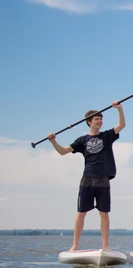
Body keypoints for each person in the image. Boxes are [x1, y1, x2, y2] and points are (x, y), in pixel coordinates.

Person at [47, 102, 126, 251]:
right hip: (87, 179)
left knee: (104, 213)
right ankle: (75, 246)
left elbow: (121, 125)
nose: (100, 121)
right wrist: (53, 141)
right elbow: (63, 151)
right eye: (96, 119)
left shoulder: (107, 136)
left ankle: (105, 246)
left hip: (103, 179)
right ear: (89, 122)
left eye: (101, 118)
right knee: (81, 213)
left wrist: (120, 109)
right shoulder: (81, 140)